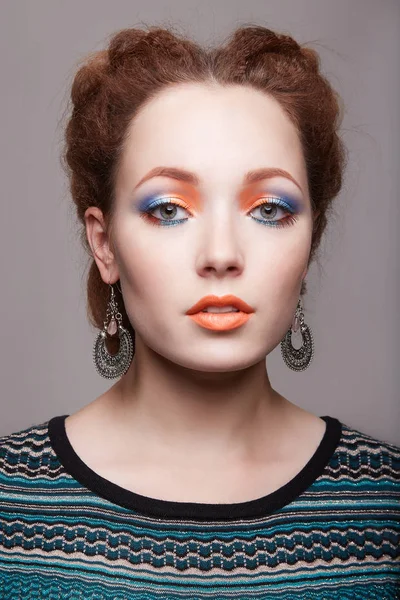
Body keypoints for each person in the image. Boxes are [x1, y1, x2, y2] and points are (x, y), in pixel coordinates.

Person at [1, 23, 399, 599]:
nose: (220, 255)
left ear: (311, 243)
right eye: (168, 209)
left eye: (268, 209)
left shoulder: (384, 507)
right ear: (104, 242)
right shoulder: (12, 503)